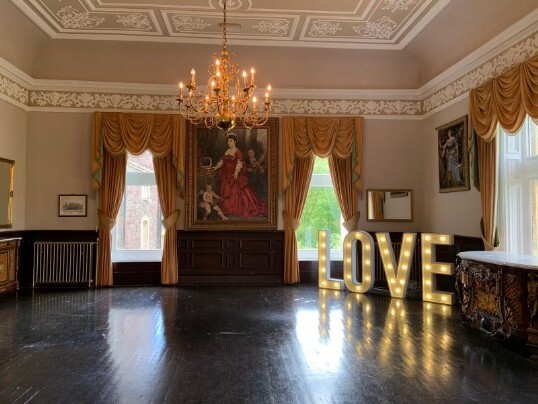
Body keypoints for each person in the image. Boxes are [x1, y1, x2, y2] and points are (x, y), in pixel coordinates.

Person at [211, 134, 267, 218]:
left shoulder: (238, 151)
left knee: (237, 191)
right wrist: (216, 167)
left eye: (231, 141)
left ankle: (235, 208)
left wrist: (236, 172)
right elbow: (222, 160)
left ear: (235, 142)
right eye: (228, 141)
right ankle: (228, 208)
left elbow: (239, 162)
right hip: (227, 174)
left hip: (235, 174)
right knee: (226, 190)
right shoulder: (227, 151)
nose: (229, 143)